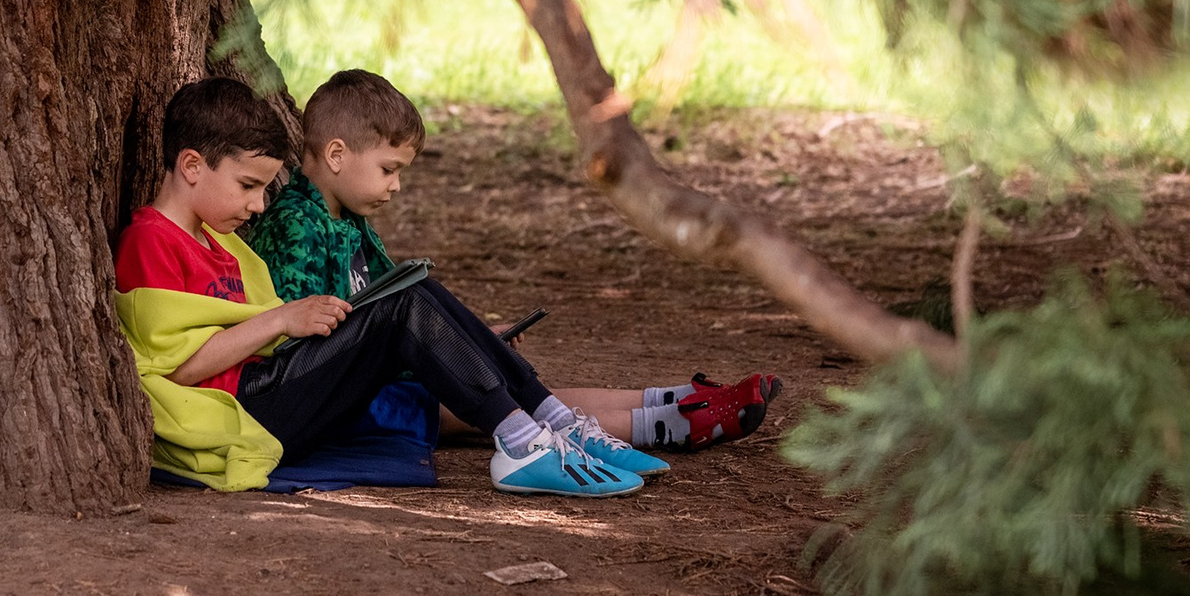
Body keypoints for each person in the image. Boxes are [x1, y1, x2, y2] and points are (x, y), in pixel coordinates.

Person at [112, 76, 642, 497]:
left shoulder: (221, 242)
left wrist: (467, 336)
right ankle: (523, 444)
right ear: (191, 166)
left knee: (412, 288)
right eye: (248, 186)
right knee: (399, 304)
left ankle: (548, 420)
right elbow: (173, 368)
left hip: (270, 391)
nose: (257, 205)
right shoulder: (151, 241)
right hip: (239, 413)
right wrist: (280, 319)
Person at [243, 68, 781, 459]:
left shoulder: (349, 221)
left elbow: (386, 310)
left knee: (491, 375)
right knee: (484, 396)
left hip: (376, 384)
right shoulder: (297, 226)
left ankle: (678, 402)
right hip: (345, 400)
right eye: (388, 169)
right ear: (337, 156)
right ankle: (672, 423)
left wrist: (468, 338)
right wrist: (437, 350)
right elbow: (311, 342)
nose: (396, 185)